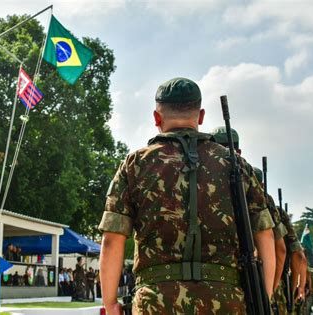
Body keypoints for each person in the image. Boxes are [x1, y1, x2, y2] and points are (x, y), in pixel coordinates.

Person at [99, 78, 276, 315]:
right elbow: (265, 235)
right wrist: (263, 299)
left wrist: (110, 303)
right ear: (201, 116)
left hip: (156, 302)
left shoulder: (135, 164)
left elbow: (113, 238)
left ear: (156, 118)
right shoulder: (236, 165)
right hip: (225, 301)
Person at [212, 127, 289, 292]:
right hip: (241, 284)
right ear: (238, 150)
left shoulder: (202, 182)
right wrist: (270, 293)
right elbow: (280, 249)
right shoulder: (249, 180)